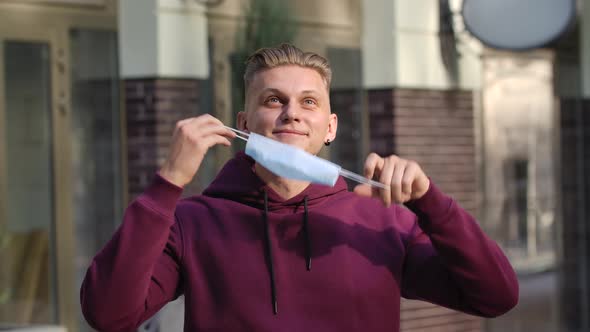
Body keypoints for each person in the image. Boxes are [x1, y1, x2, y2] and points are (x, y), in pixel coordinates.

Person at [80, 44, 518, 332]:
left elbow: (496, 296)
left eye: (309, 102)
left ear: (329, 127)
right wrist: (168, 183)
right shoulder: (193, 221)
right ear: (245, 123)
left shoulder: (383, 219)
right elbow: (109, 314)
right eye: (274, 100)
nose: (292, 114)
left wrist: (431, 203)